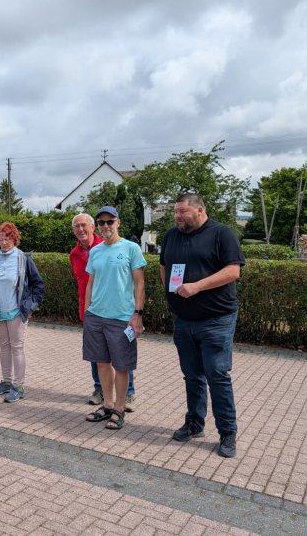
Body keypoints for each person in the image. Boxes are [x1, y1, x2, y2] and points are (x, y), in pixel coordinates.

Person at [159, 193, 244, 458]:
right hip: (183, 320)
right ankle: (194, 424)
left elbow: (233, 271)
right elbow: (163, 266)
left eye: (183, 212)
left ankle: (227, 432)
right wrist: (168, 292)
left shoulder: (222, 234)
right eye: (175, 212)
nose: (178, 217)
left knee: (217, 375)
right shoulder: (172, 235)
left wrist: (196, 286)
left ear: (200, 210)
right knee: (192, 375)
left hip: (216, 319)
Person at [83, 206, 146, 431]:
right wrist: (87, 310)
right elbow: (91, 281)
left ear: (118, 222)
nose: (106, 226)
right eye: (102, 222)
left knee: (122, 366)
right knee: (101, 362)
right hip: (96, 316)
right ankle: (108, 405)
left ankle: (120, 409)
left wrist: (137, 314)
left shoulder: (131, 248)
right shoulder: (96, 251)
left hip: (121, 318)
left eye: (110, 221)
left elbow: (139, 282)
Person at [0, 222, 45, 404]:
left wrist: (31, 306)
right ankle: (7, 382)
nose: (4, 242)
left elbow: (38, 285)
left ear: (14, 238)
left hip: (17, 312)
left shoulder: (23, 258)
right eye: (1, 238)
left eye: (7, 238)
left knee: (17, 347)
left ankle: (19, 386)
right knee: (4, 346)